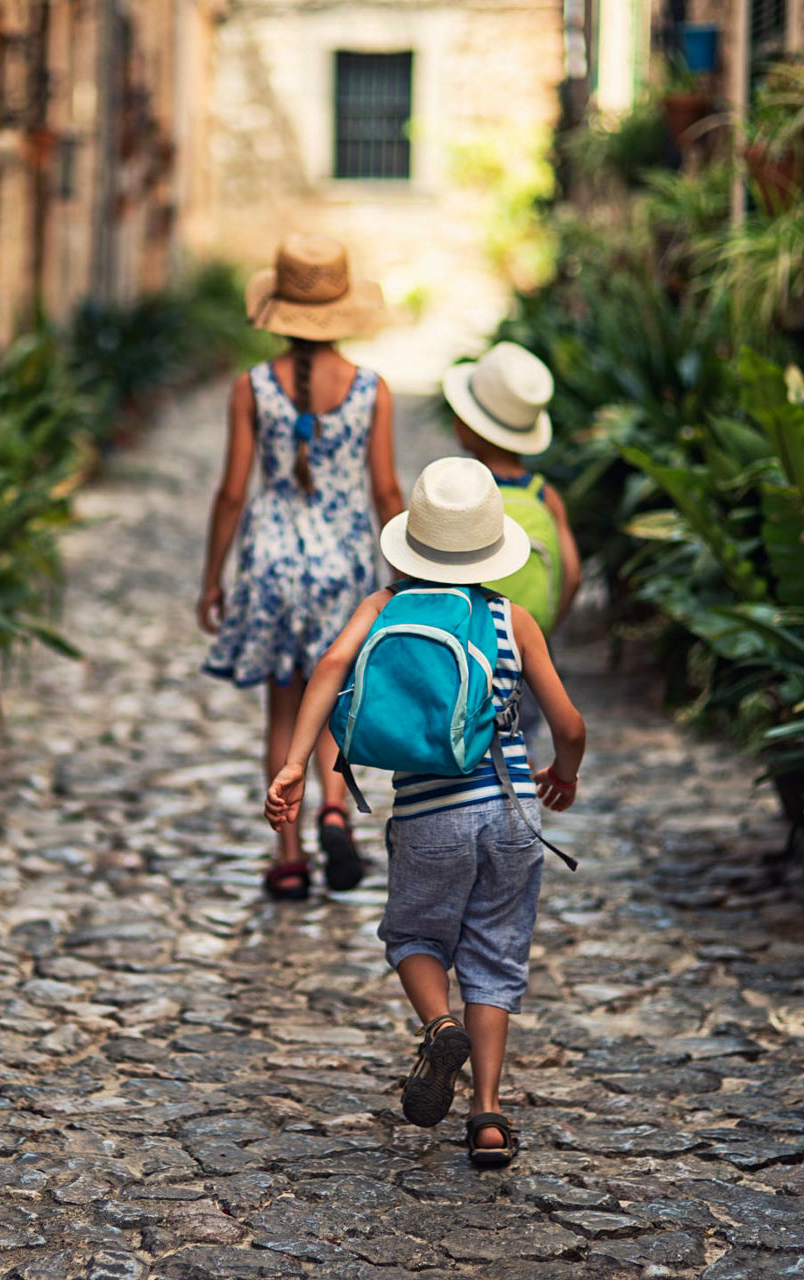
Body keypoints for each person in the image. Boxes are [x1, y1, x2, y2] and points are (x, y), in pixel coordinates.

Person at [264, 458, 586, 1167]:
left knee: (413, 936)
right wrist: (562, 773)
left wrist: (293, 762)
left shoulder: (383, 606)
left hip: (428, 816)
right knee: (495, 956)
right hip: (510, 816)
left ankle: (439, 1024)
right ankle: (489, 1118)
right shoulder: (513, 619)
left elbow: (327, 668)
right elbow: (567, 722)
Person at [198, 233, 403, 901]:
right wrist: (402, 583)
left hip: (269, 562)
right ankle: (334, 811)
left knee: (283, 712)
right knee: (334, 702)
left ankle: (287, 857)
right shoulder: (373, 391)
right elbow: (386, 493)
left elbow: (232, 491)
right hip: (343, 564)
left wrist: (212, 578)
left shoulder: (252, 386)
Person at [443, 342, 581, 744]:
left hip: (462, 643)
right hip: (526, 644)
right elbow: (571, 574)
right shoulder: (544, 495)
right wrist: (542, 626)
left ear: (470, 425)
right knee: (519, 735)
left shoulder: (459, 489)